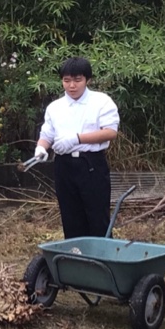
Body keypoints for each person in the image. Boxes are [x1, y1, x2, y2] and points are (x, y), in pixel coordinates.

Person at [33, 57, 121, 238]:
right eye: (67, 81)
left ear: (87, 80)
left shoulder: (101, 101)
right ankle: (75, 259)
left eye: (77, 80)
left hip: (90, 164)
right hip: (63, 165)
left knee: (97, 215)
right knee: (70, 215)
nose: (72, 86)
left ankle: (103, 261)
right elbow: (47, 134)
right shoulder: (55, 107)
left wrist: (77, 139)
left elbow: (110, 132)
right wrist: (41, 148)